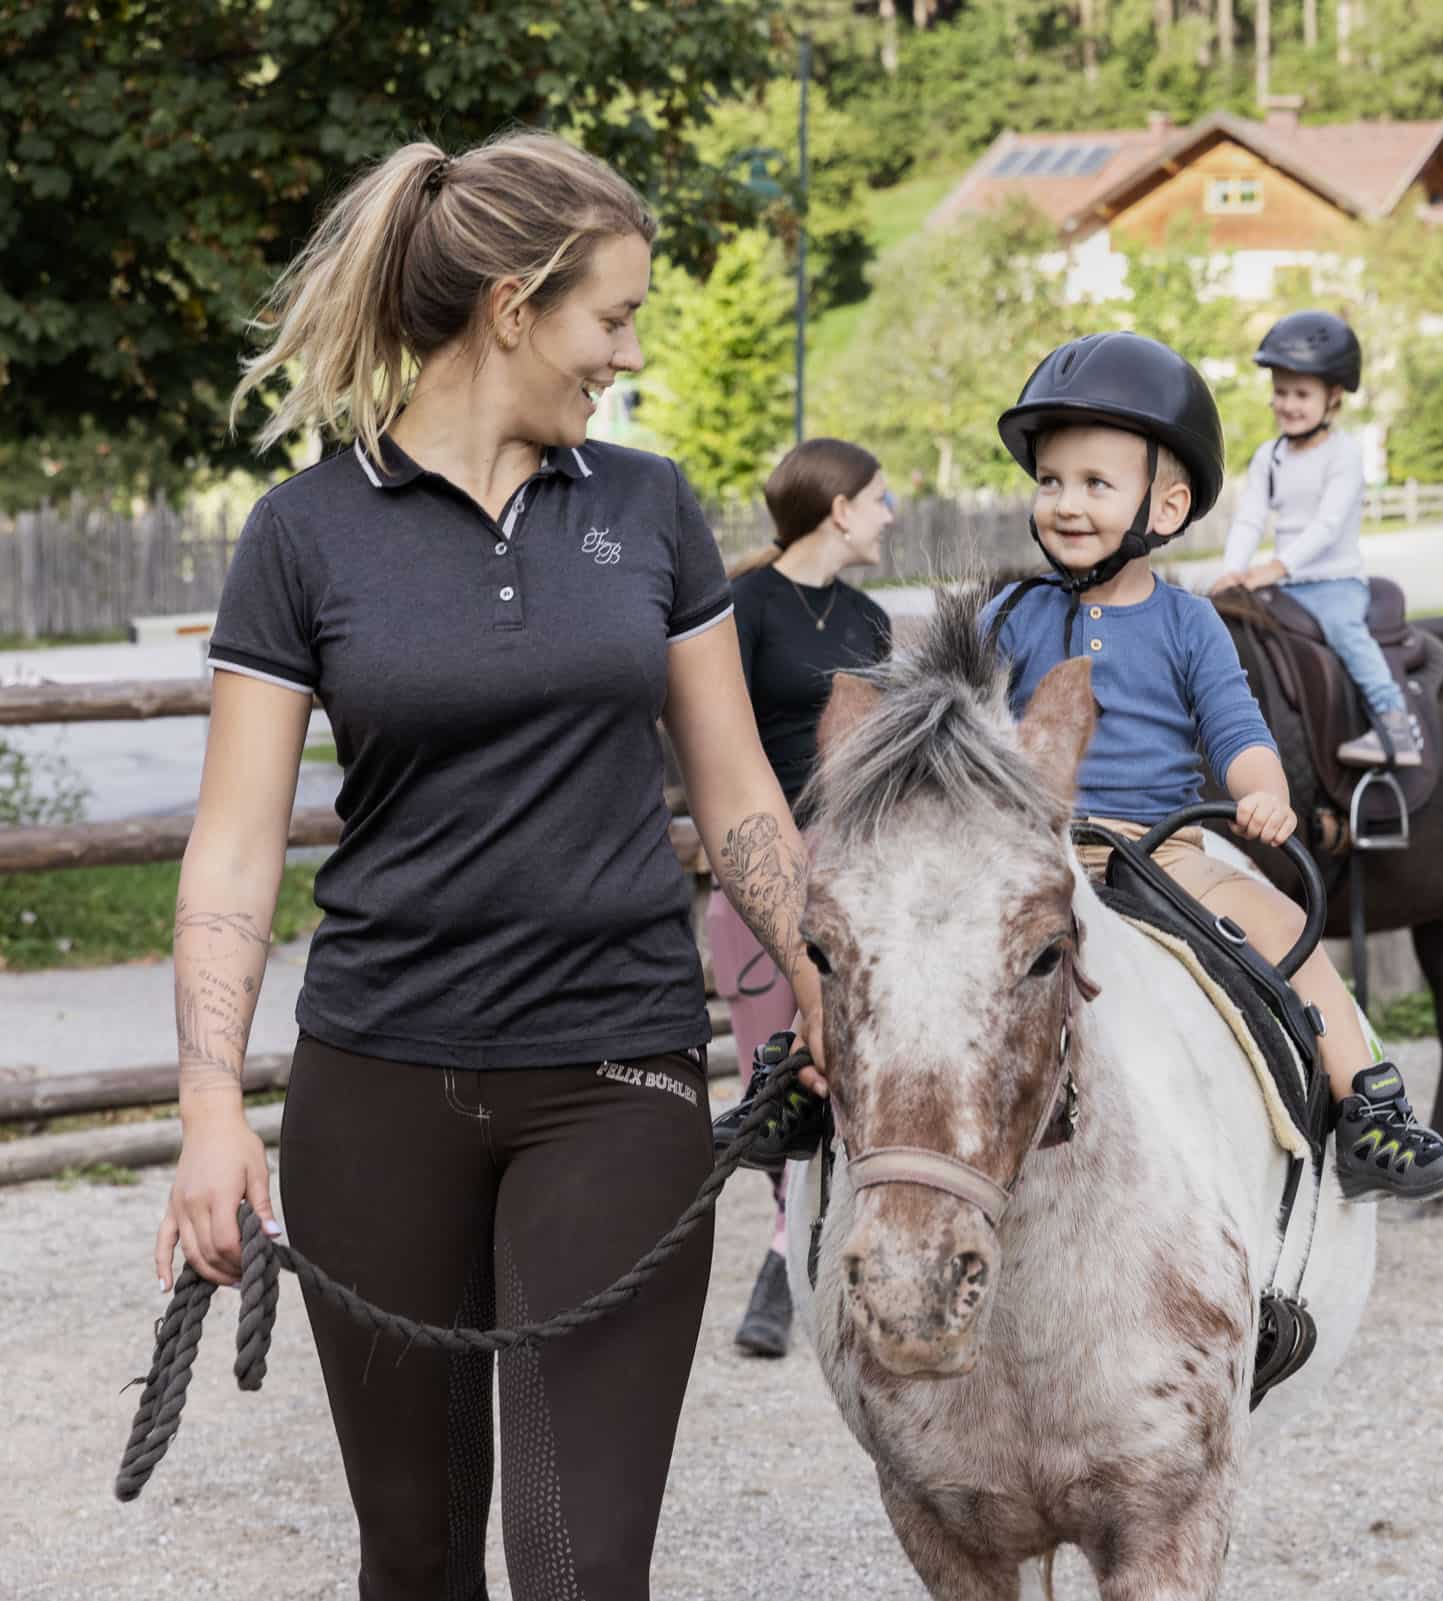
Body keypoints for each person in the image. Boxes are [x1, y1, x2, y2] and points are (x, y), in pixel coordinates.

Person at [158, 132, 826, 1600]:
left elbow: (736, 795)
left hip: (618, 1074)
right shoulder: (304, 533)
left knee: (581, 1565)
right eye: (614, 317)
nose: (628, 352)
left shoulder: (647, 507)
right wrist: (212, 1105)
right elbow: (234, 845)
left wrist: (823, 970)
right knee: (413, 1555)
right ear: (513, 307)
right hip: (376, 1082)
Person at [982, 331, 1443, 1203]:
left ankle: (1369, 1109)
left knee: (1287, 931)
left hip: (1160, 851)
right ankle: (803, 1069)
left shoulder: (1188, 624)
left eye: (1096, 484)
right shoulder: (1009, 613)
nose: (1064, 504)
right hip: (1029, 851)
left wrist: (1261, 794)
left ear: (1165, 509)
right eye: (1051, 481)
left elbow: (1238, 732)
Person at [710, 438, 894, 1357]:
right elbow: (708, 747)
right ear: (839, 508)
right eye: (881, 497)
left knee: (861, 1061)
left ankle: (790, 1261)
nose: (891, 513)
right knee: (776, 1087)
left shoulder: (869, 619)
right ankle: (797, 1231)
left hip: (861, 869)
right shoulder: (742, 608)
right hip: (767, 868)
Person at [1210, 310, 1420, 767]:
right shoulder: (1271, 455)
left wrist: (1276, 567)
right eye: (1281, 392)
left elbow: (1326, 527)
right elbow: (1250, 517)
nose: (1288, 404)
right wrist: (1233, 568)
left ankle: (1395, 722)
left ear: (1333, 398)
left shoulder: (1343, 455)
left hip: (1332, 581)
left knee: (1346, 633)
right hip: (1283, 586)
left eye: (1301, 394)